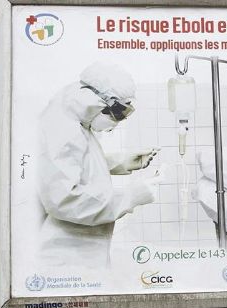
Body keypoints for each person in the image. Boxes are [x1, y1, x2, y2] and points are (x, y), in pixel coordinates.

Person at [36, 61, 162, 268]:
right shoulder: (62, 128)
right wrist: (130, 196)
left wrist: (120, 162)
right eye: (117, 111)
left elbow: (73, 163)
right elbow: (63, 200)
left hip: (80, 251)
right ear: (94, 101)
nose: (117, 120)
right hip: (66, 258)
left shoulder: (74, 120)